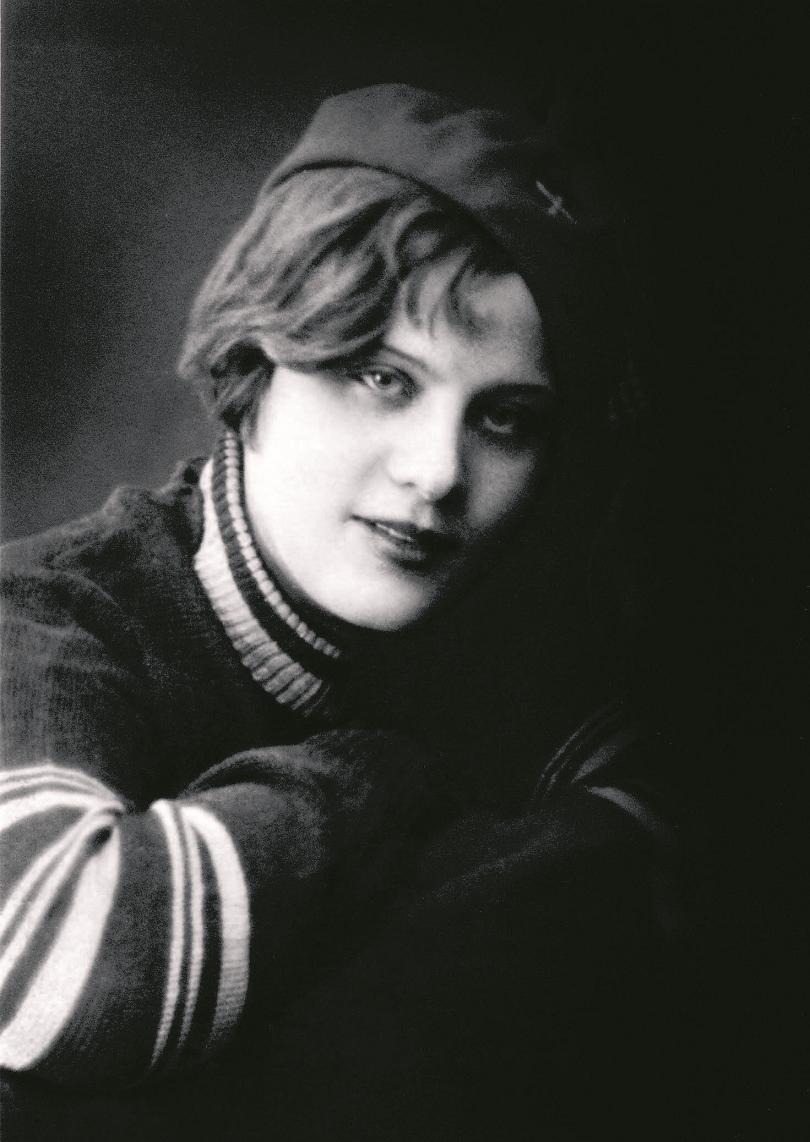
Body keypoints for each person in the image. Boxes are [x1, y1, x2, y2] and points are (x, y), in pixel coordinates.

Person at [0, 85, 678, 1139]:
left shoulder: (518, 641)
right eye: (381, 377)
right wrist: (378, 776)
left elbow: (683, 876)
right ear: (254, 359)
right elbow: (69, 980)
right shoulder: (45, 621)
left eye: (506, 418)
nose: (438, 471)